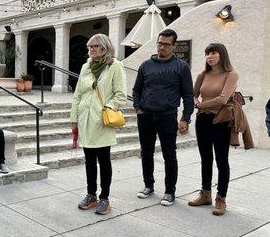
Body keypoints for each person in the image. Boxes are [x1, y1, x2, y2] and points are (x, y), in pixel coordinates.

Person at [132, 28, 194, 206]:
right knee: (146, 153)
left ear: (174, 46)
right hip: (145, 115)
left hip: (167, 115)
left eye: (167, 44)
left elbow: (188, 95)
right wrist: (138, 107)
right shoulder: (145, 65)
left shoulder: (181, 66)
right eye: (160, 43)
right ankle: (148, 185)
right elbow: (136, 89)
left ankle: (169, 192)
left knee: (169, 154)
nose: (162, 47)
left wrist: (185, 118)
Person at [70, 34, 127, 215]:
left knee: (103, 160)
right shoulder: (86, 67)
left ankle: (105, 198)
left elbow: (120, 95)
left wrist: (106, 108)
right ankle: (91, 194)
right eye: (90, 47)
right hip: (85, 120)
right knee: (89, 161)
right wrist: (74, 118)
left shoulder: (115, 66)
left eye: (95, 46)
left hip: (101, 120)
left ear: (105, 47)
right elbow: (78, 94)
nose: (91, 49)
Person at [188, 43, 238, 215]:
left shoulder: (231, 75)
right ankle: (205, 194)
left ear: (221, 55)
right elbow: (193, 94)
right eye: (207, 53)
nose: (210, 56)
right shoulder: (203, 74)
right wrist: (196, 104)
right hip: (202, 120)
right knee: (205, 159)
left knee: (222, 161)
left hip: (221, 121)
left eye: (213, 53)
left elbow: (223, 99)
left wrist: (201, 105)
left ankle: (221, 199)